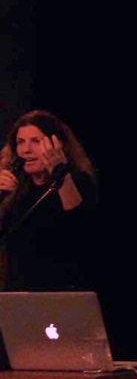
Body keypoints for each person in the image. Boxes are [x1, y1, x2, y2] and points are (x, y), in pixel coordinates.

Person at [0, 110, 98, 291]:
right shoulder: (16, 190)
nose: (26, 149)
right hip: (17, 296)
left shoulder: (75, 182)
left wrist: (60, 172)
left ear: (57, 144)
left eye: (36, 141)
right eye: (20, 142)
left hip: (61, 294)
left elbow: (79, 227)